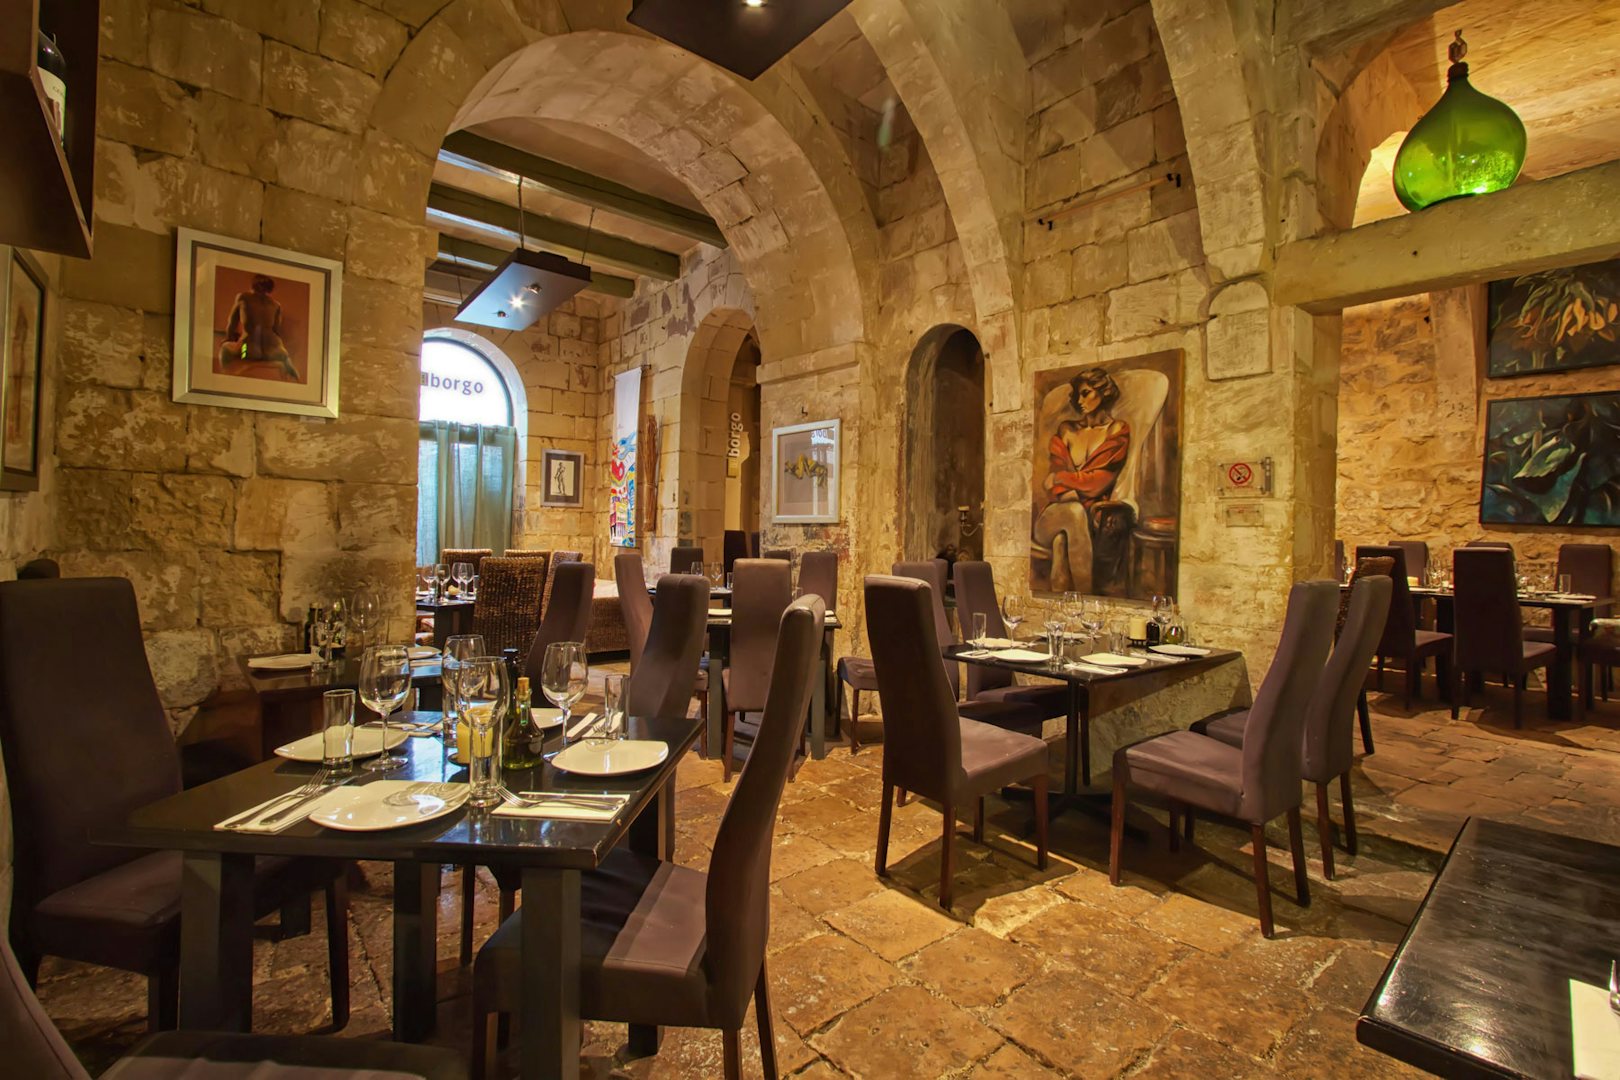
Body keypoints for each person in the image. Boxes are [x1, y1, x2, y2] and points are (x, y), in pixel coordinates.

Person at [1032, 368, 1131, 593]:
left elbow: (1098, 483)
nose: (1080, 400)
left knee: (1061, 542)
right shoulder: (1067, 430)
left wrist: (1061, 478)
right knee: (1074, 512)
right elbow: (1052, 488)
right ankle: (1086, 601)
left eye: (1086, 393)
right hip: (1051, 517)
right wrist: (1069, 485)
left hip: (1085, 518)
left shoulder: (1117, 430)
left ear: (1103, 392)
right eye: (1078, 395)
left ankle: (1063, 611)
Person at [218, 274, 297, 379]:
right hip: (275, 351)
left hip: (248, 350)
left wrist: (228, 338)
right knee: (284, 356)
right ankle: (288, 365)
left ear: (254, 285)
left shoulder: (243, 298)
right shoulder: (276, 305)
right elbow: (277, 331)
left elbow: (232, 323)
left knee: (225, 348)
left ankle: (224, 378)